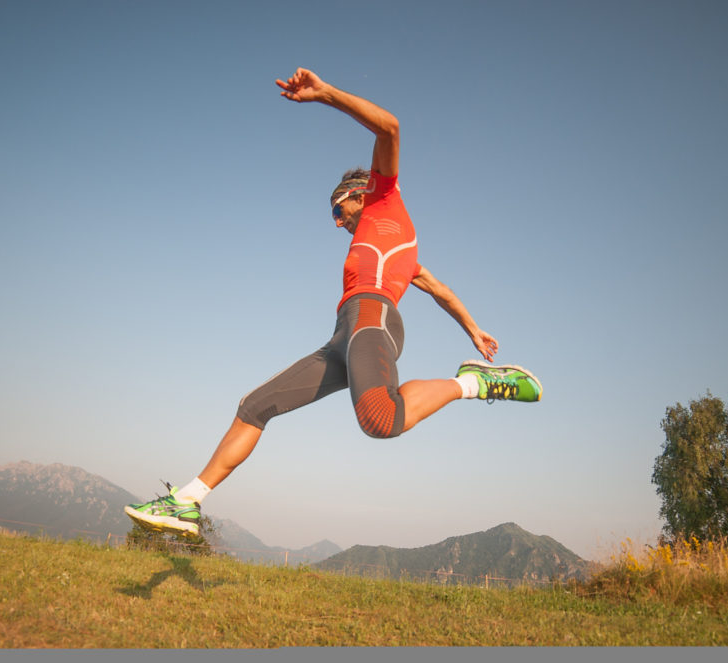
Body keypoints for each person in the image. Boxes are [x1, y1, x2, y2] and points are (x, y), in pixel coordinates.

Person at [124, 68, 542, 538]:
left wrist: (325, 94)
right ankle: (186, 502)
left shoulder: (384, 201)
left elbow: (390, 127)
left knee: (381, 420)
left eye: (337, 208)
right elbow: (440, 291)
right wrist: (474, 328)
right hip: (343, 336)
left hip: (372, 318)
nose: (336, 220)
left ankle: (473, 384)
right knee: (255, 405)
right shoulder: (403, 254)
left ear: (358, 195)